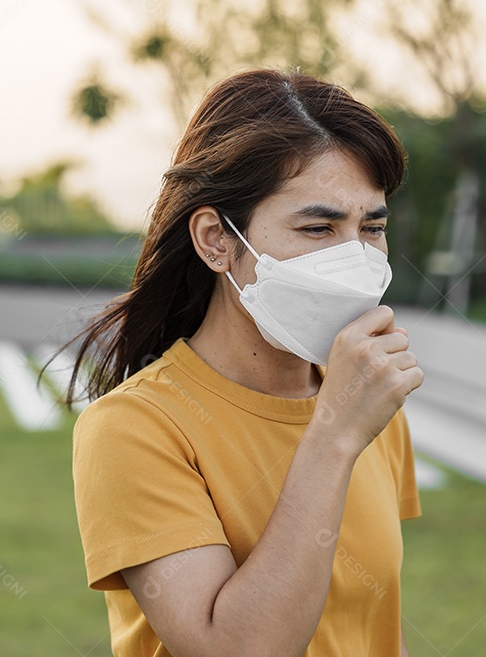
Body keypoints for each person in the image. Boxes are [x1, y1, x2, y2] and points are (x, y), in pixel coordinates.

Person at [68, 68, 424, 657]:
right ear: (216, 240)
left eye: (372, 227)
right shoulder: (133, 429)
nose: (354, 258)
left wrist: (344, 419)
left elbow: (373, 628)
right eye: (317, 227)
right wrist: (334, 436)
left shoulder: (365, 400)